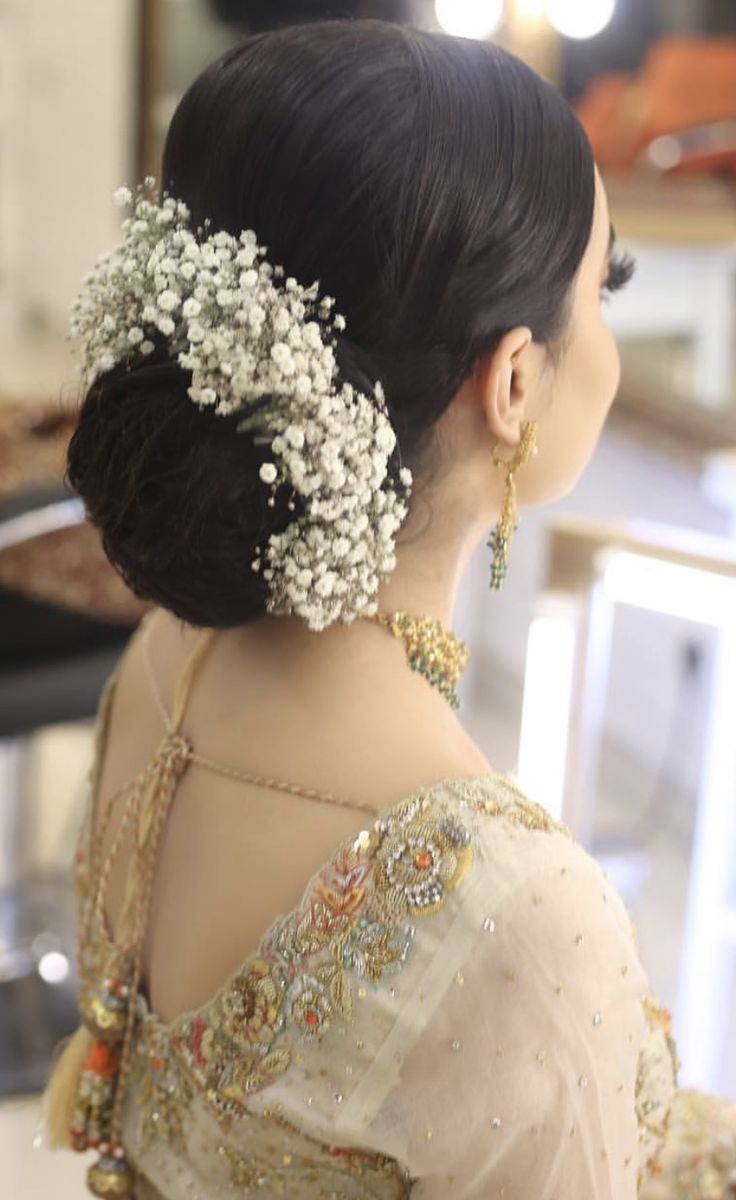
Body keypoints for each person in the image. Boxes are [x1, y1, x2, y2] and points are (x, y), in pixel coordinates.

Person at [36, 18, 736, 1199]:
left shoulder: (165, 660)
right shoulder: (511, 909)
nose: (606, 337)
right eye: (601, 286)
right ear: (513, 383)